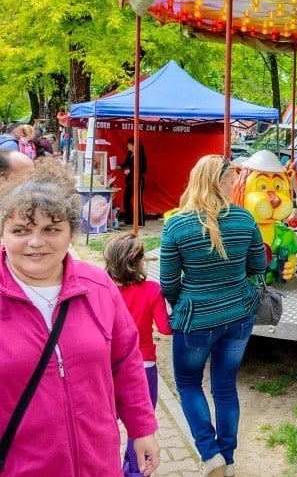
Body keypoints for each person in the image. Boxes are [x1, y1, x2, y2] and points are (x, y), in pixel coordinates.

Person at [0, 177, 160, 476]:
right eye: (21, 230)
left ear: (71, 233)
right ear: (4, 235)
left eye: (51, 229)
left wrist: (142, 428)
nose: (36, 242)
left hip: (98, 463)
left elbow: (126, 361)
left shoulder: (97, 286)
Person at [160, 155, 267, 477]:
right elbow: (258, 267)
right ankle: (229, 458)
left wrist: (186, 303)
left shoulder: (177, 224)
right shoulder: (245, 220)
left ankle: (211, 456)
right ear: (219, 182)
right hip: (238, 315)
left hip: (195, 321)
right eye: (231, 179)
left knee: (189, 385)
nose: (234, 184)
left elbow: (168, 282)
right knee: (225, 387)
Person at [105, 232, 173, 477]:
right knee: (139, 425)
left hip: (106, 367)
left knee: (106, 424)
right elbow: (165, 329)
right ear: (140, 261)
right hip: (142, 366)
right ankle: (134, 471)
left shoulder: (100, 288)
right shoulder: (152, 290)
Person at [121, 137, 148, 226]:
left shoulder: (140, 155)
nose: (127, 146)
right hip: (130, 180)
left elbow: (143, 169)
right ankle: (129, 219)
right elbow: (126, 163)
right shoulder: (130, 154)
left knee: (138, 200)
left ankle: (141, 221)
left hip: (138, 180)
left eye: (129, 144)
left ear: (134, 145)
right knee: (126, 199)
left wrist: (130, 171)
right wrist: (119, 166)